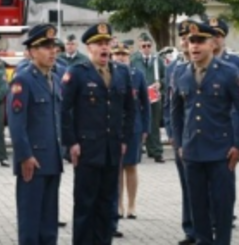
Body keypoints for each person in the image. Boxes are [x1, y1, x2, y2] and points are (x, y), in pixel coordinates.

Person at [170, 20, 239, 245]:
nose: (194, 46)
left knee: (222, 205)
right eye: (191, 41)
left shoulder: (228, 72)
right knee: (198, 206)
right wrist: (179, 144)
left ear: (212, 44)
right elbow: (176, 112)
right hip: (192, 151)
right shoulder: (181, 73)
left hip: (220, 150)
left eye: (200, 41)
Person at [61, 21, 134, 245]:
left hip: (112, 151)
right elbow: (64, 110)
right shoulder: (77, 73)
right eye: (98, 44)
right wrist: (71, 142)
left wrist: (125, 139)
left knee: (106, 205)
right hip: (87, 150)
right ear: (89, 48)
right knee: (85, 206)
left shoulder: (121, 73)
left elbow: (130, 110)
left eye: (107, 43)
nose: (104, 48)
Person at [8, 24, 64, 245]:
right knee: (31, 222)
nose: (52, 51)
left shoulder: (56, 79)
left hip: (52, 159)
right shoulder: (23, 80)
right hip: (32, 161)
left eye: (53, 46)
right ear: (31, 52)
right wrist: (24, 156)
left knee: (49, 223)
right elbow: (16, 123)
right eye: (44, 47)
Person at [164, 21, 195, 245]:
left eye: (190, 37)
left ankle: (207, 224)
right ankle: (190, 228)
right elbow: (169, 103)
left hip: (201, 135)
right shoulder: (173, 67)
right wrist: (172, 133)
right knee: (186, 184)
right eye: (182, 37)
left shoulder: (207, 64)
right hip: (180, 134)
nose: (185, 41)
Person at [113, 43, 150, 220]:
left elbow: (145, 103)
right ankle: (118, 205)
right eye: (117, 54)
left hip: (134, 127)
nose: (120, 57)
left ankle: (132, 205)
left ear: (129, 57)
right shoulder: (109, 74)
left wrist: (146, 127)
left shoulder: (138, 75)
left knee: (131, 166)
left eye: (124, 55)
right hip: (114, 127)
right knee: (117, 168)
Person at [131, 32, 165, 164]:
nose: (146, 48)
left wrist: (160, 83)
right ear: (140, 46)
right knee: (139, 123)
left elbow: (165, 76)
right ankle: (138, 150)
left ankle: (156, 151)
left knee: (154, 124)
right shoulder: (134, 59)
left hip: (154, 95)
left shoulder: (158, 60)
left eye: (148, 45)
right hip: (139, 96)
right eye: (144, 45)